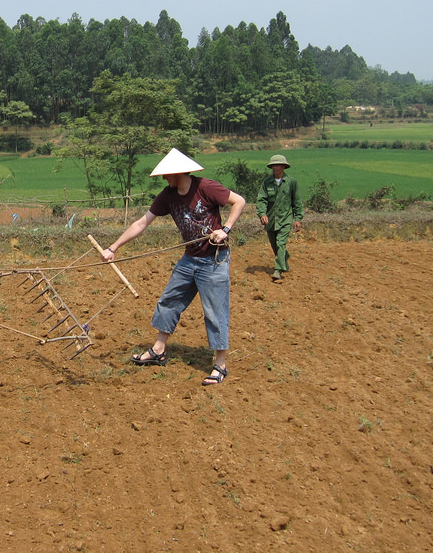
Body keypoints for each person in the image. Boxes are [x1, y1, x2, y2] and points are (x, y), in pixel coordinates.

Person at [101, 148, 246, 386]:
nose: (163, 178)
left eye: (167, 174)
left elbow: (239, 201)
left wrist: (225, 229)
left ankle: (220, 365)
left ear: (178, 172)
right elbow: (142, 222)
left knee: (215, 312)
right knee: (169, 300)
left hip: (214, 260)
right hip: (189, 260)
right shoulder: (167, 196)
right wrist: (113, 247)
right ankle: (159, 350)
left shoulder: (206, 187)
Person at [255, 154, 304, 282]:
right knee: (274, 244)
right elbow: (261, 199)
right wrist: (262, 214)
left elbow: (297, 201)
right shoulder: (266, 182)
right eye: (273, 165)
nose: (275, 167)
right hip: (270, 219)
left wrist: (298, 219)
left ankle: (278, 270)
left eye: (278, 165)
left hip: (285, 218)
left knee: (280, 243)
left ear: (283, 167)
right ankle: (284, 260)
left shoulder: (291, 182)